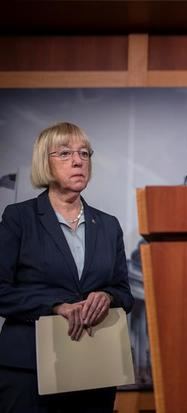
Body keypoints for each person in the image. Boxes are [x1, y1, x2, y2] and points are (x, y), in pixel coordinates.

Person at [0, 122, 134, 412]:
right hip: (29, 372)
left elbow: (124, 291)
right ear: (43, 162)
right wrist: (56, 306)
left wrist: (108, 297)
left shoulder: (108, 225)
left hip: (93, 369)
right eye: (64, 153)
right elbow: (1, 291)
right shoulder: (18, 218)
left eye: (84, 153)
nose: (78, 160)